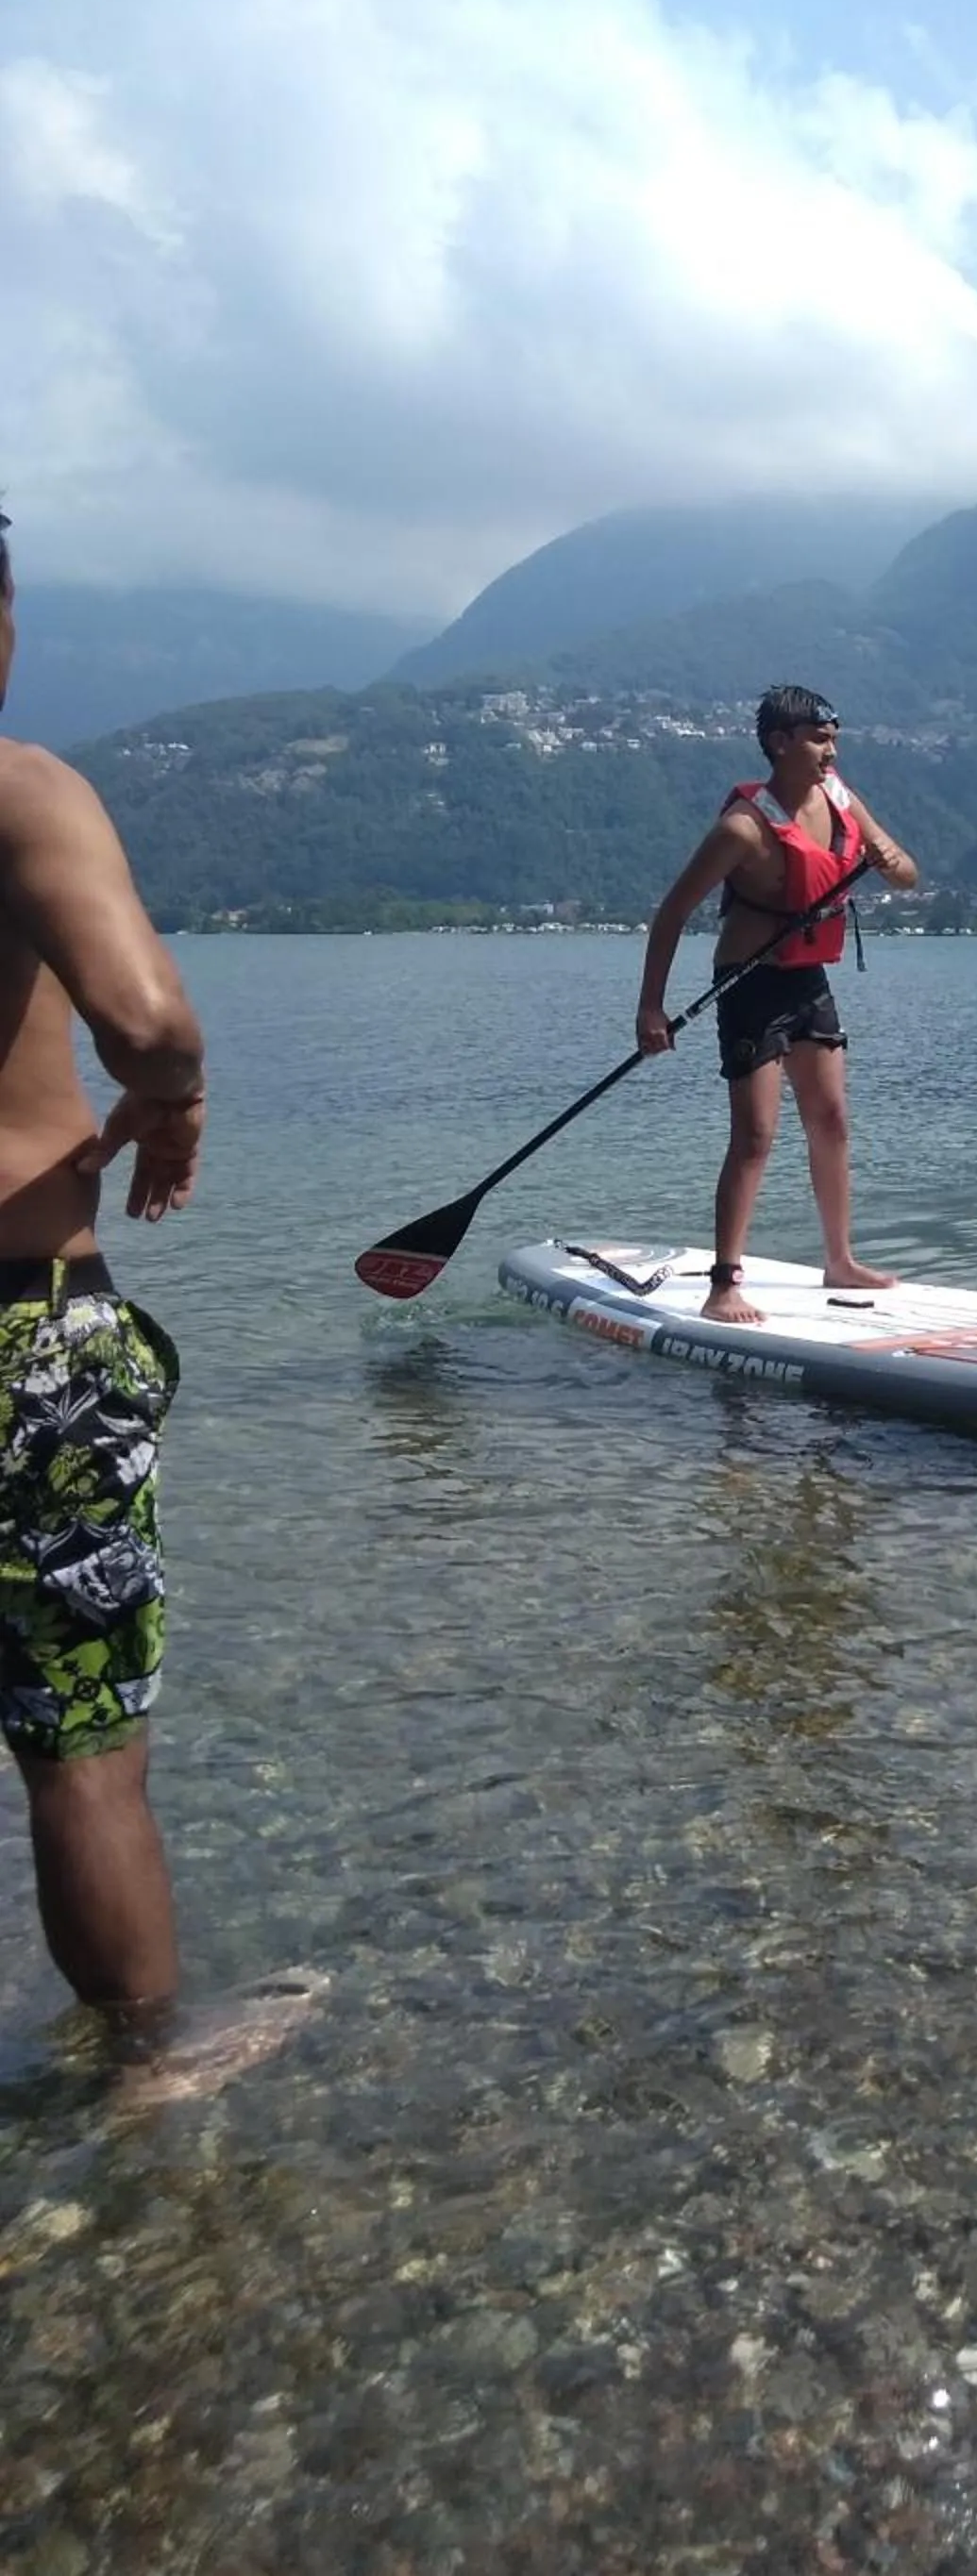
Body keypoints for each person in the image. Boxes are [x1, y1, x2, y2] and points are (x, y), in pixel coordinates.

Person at [0, 510, 317, 2097]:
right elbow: (146, 1021)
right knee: (82, 1745)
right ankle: (147, 2077)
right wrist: (174, 1103)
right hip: (22, 1325)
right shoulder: (20, 790)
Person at [635, 684, 918, 1325]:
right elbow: (672, 913)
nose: (831, 751)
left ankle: (839, 1260)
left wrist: (889, 859)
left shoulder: (841, 797)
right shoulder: (741, 828)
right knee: (756, 1135)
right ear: (780, 743)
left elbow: (907, 875)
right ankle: (723, 1286)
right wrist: (651, 1009)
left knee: (832, 1120)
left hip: (807, 980)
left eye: (834, 739)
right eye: (819, 740)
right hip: (749, 983)